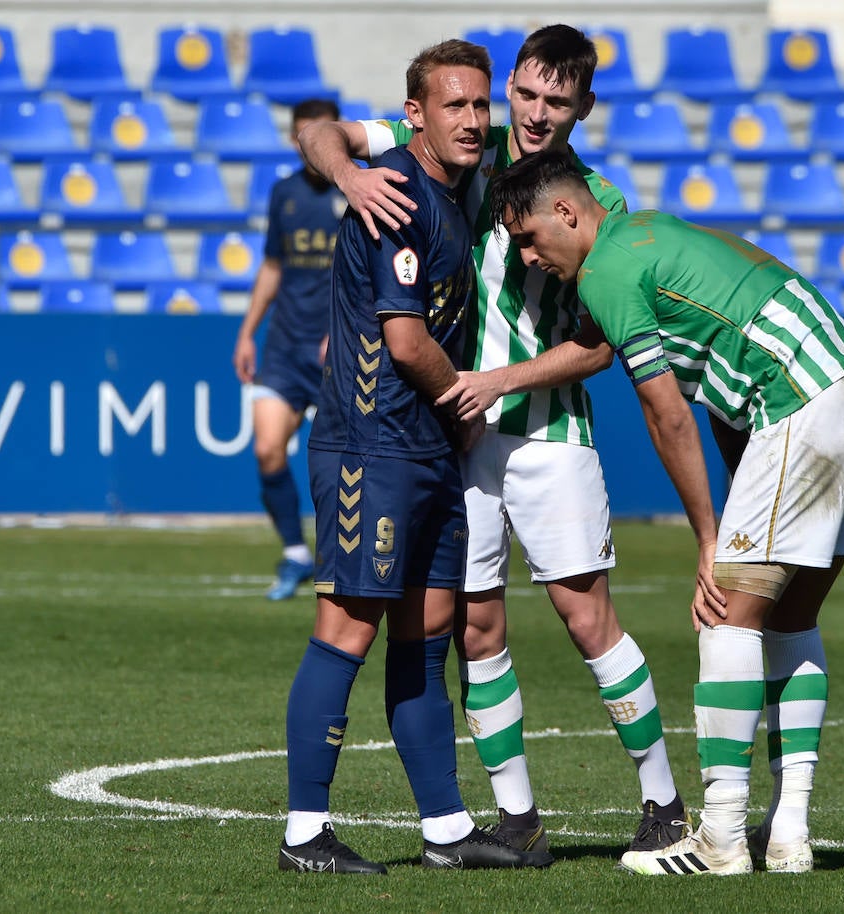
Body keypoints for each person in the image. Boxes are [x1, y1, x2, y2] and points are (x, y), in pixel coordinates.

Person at [298, 24, 688, 855]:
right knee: (474, 628)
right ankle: (515, 818)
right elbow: (317, 133)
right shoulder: (464, 137)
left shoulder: (599, 201)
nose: (535, 114)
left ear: (585, 105)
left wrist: (496, 383)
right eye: (527, 94)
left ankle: (662, 800)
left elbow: (601, 342)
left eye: (558, 100)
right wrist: (350, 177)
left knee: (589, 621)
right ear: (511, 87)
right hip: (457, 439)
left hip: (548, 434)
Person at [489, 151, 844, 877]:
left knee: (722, 615)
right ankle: (789, 834)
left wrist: (709, 538)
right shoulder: (649, 233)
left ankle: (721, 838)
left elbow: (666, 412)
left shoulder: (605, 270)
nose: (527, 257)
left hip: (800, 402)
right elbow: (717, 385)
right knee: (792, 616)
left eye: (528, 239)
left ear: (566, 212)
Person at [278, 39, 542, 875]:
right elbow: (404, 340)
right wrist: (468, 396)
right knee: (345, 630)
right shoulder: (397, 193)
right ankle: (304, 834)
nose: (472, 120)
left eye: (479, 105)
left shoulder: (458, 188)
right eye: (453, 106)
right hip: (372, 446)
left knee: (429, 636)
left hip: (426, 450)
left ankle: (445, 831)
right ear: (415, 115)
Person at [232, 98, 345, 601]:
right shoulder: (284, 193)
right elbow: (273, 265)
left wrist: (345, 329)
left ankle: (343, 557)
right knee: (266, 449)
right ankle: (296, 554)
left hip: (339, 350)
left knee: (342, 462)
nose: (309, 147)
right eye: (301, 137)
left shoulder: (358, 189)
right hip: (284, 344)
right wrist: (246, 331)